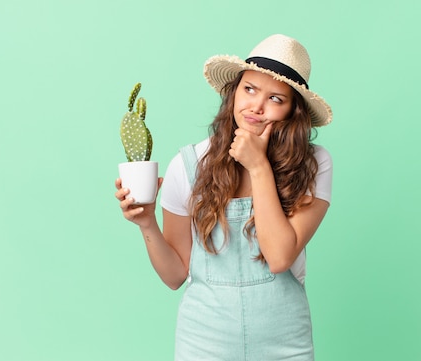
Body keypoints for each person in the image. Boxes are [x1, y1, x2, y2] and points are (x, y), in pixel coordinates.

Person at [115, 34, 333, 360]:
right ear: (234, 92)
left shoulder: (314, 163)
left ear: (293, 111)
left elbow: (279, 257)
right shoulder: (189, 165)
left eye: (275, 98)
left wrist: (259, 165)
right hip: (204, 342)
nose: (256, 107)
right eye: (249, 89)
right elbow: (175, 275)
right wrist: (146, 223)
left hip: (284, 340)